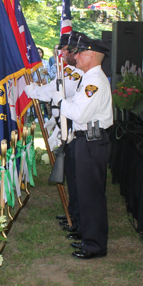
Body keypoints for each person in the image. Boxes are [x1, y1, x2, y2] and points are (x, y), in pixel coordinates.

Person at [52, 36, 112, 259]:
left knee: (91, 195)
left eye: (80, 52)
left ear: (92, 55)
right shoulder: (88, 78)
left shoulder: (94, 81)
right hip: (83, 140)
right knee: (82, 192)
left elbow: (79, 113)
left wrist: (60, 101)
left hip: (91, 141)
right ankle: (86, 233)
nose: (75, 56)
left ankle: (95, 244)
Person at [25, 33, 85, 236]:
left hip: (73, 129)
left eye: (66, 50)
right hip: (65, 126)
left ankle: (77, 217)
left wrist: (30, 90)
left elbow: (53, 92)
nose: (62, 53)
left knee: (77, 178)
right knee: (71, 175)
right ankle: (74, 213)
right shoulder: (68, 70)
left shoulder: (75, 73)